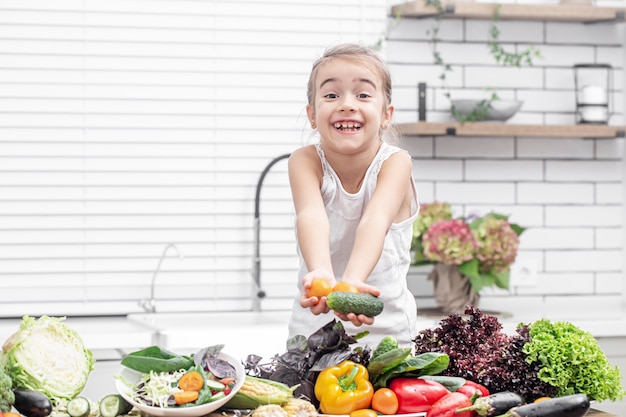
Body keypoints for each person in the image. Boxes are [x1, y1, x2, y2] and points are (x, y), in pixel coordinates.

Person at [287, 43, 419, 349]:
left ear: (386, 115)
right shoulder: (304, 161)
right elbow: (311, 216)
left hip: (388, 334)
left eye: (362, 94)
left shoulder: (396, 162)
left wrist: (352, 282)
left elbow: (375, 220)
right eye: (331, 95)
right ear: (312, 114)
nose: (347, 104)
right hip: (313, 331)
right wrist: (320, 272)